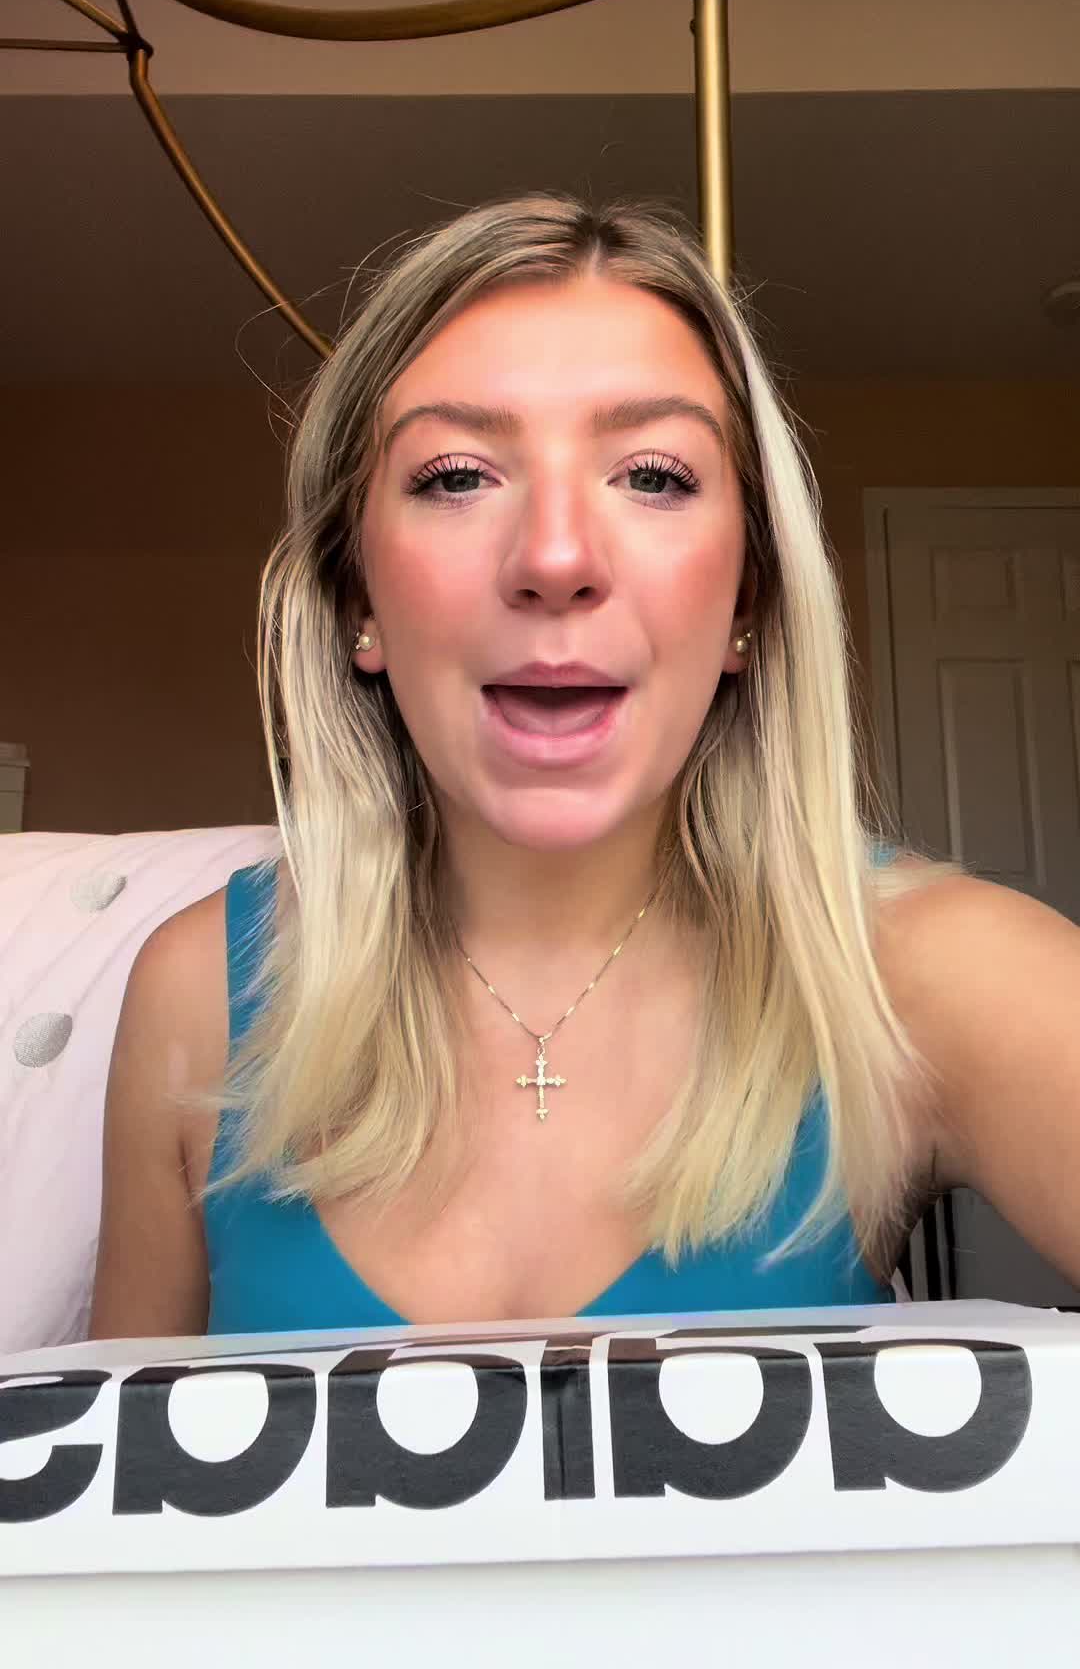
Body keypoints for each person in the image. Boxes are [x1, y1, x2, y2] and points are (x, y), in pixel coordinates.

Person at [89, 194, 1080, 1339]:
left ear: (748, 598)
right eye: (456, 475)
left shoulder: (920, 970)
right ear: (358, 599)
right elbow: (105, 1447)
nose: (556, 558)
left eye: (653, 474)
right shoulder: (196, 997)